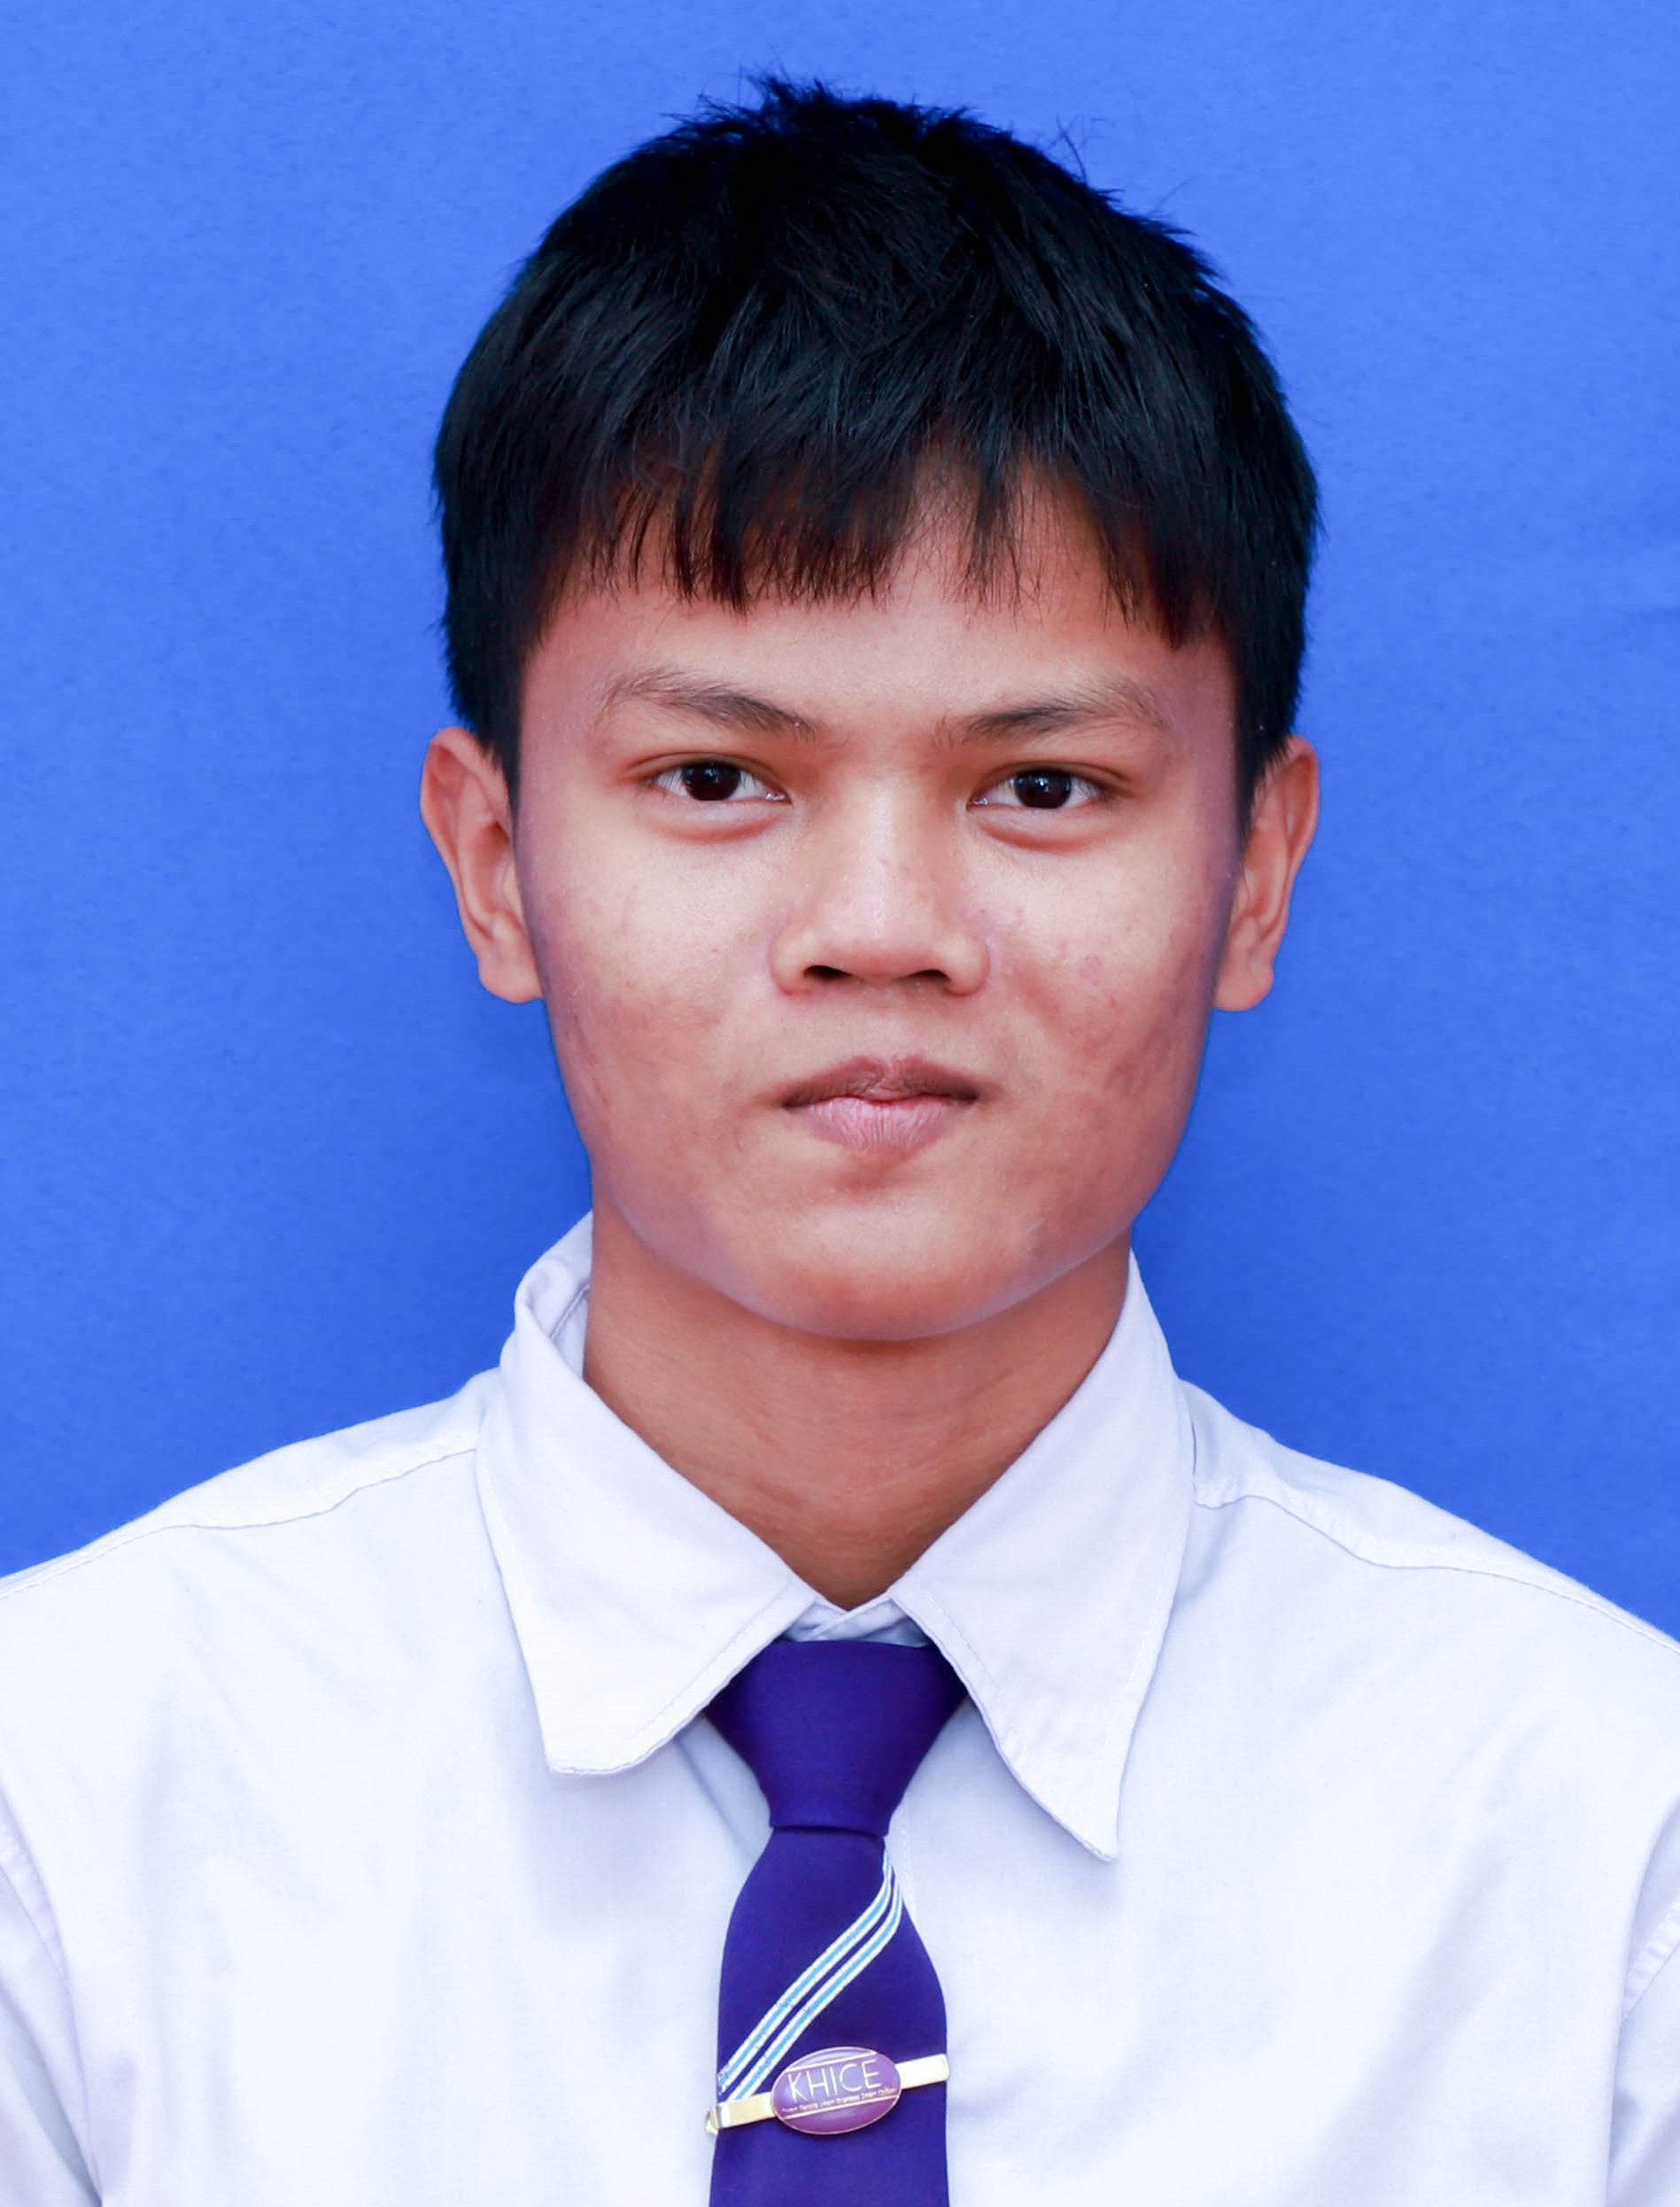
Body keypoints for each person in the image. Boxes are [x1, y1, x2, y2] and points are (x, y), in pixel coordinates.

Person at [0, 79, 1675, 2207]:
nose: (881, 927)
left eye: (1042, 787)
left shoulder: (1604, 1863)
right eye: (716, 778)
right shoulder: (65, 1818)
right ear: (495, 863)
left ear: (1257, 873)